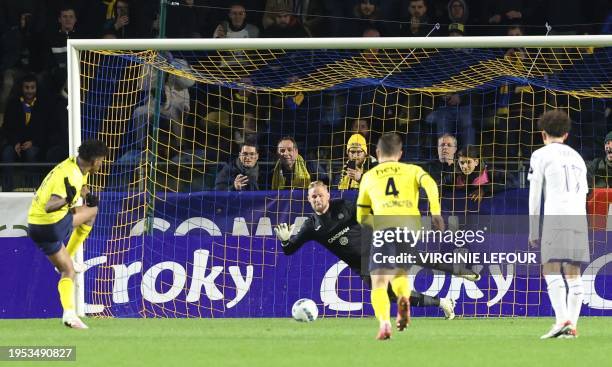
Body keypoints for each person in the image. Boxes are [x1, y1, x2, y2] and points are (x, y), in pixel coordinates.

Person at [274, 181, 479, 321]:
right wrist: (285, 241)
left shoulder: (344, 207)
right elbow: (290, 250)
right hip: (363, 266)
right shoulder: (311, 226)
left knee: (418, 257)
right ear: (309, 200)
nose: (317, 200)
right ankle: (443, 303)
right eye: (312, 197)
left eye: (319, 195)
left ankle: (461, 270)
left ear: (327, 193)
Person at [356, 133, 445, 340]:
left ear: (377, 153)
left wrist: (373, 224)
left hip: (384, 227)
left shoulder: (369, 176)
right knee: (400, 275)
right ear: (400, 153)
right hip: (409, 229)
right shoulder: (412, 170)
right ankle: (403, 298)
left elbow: (361, 214)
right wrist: (436, 212)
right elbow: (430, 184)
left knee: (378, 283)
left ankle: (385, 324)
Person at [27, 139, 108, 329]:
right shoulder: (70, 174)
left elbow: (81, 187)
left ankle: (69, 315)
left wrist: (87, 196)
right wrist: (66, 200)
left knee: (68, 271)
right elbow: (50, 206)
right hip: (51, 224)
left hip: (35, 227)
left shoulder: (76, 165)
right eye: (102, 160)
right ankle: (70, 254)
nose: (102, 164)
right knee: (92, 212)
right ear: (95, 160)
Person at [528, 110, 588, 339]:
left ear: (543, 134)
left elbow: (535, 195)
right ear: (566, 133)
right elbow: (584, 192)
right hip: (578, 216)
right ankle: (571, 327)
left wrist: (533, 229)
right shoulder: (577, 158)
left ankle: (561, 320)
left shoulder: (540, 155)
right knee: (573, 271)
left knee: (551, 267)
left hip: (556, 216)